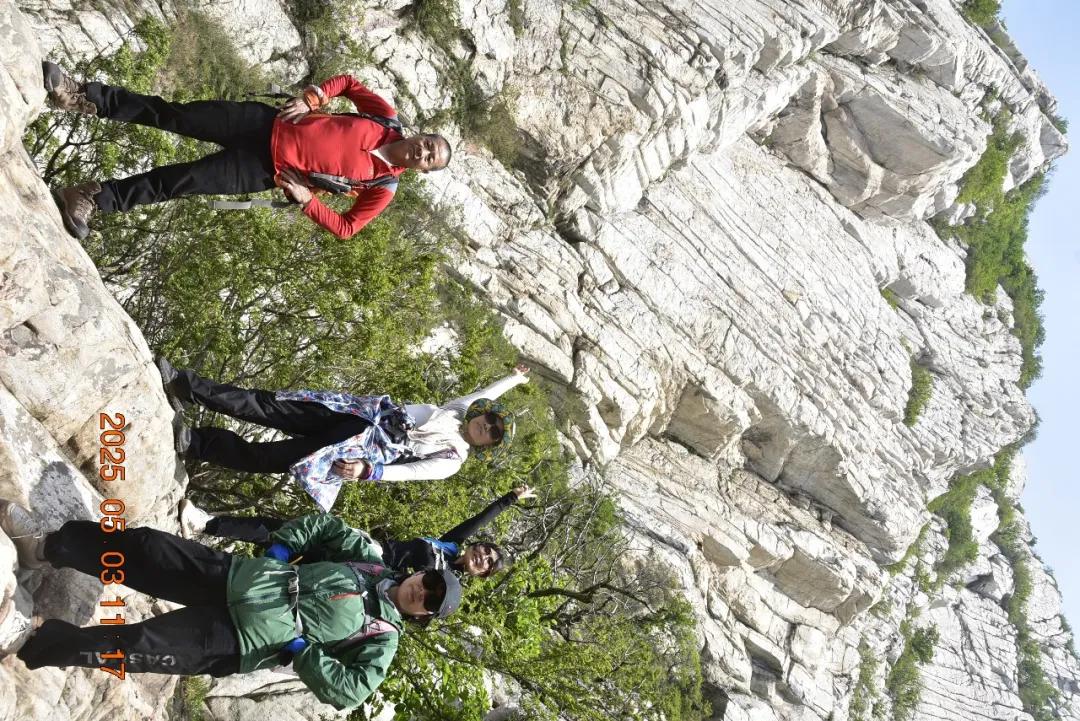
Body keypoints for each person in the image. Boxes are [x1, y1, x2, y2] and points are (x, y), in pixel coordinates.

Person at [0, 500, 460, 711]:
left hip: (239, 641)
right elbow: (326, 526)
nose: (422, 592)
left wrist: (305, 654)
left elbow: (350, 692)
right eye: (429, 583)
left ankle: (30, 640)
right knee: (148, 547)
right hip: (239, 575)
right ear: (423, 572)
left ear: (424, 616)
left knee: (135, 646)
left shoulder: (383, 640)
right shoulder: (371, 562)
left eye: (430, 602)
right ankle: (47, 548)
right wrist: (283, 546)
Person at [41, 61, 452, 240]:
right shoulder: (385, 118)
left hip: (263, 170)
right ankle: (80, 95)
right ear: (422, 135)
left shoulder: (383, 187)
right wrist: (311, 99)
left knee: (180, 182)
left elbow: (347, 228)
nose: (424, 152)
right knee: (175, 115)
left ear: (424, 171)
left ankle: (92, 199)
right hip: (263, 121)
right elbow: (347, 83)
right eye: (429, 144)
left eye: (430, 158)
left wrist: (308, 201)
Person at [160, 360, 531, 511]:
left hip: (359, 448)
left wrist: (368, 472)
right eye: (490, 421)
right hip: (355, 414)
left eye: (493, 434)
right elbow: (484, 393)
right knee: (268, 405)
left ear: (488, 446)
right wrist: (513, 379)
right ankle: (185, 385)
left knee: (272, 458)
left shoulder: (453, 458)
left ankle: (197, 443)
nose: (487, 427)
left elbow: (411, 472)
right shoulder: (457, 413)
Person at [179, 485, 537, 576]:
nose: (483, 556)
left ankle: (199, 560)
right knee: (288, 533)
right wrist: (511, 498)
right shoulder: (448, 546)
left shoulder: (446, 582)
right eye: (485, 550)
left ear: (483, 573)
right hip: (366, 546)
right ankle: (207, 525)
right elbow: (479, 519)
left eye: (488, 562)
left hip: (363, 568)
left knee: (290, 568)